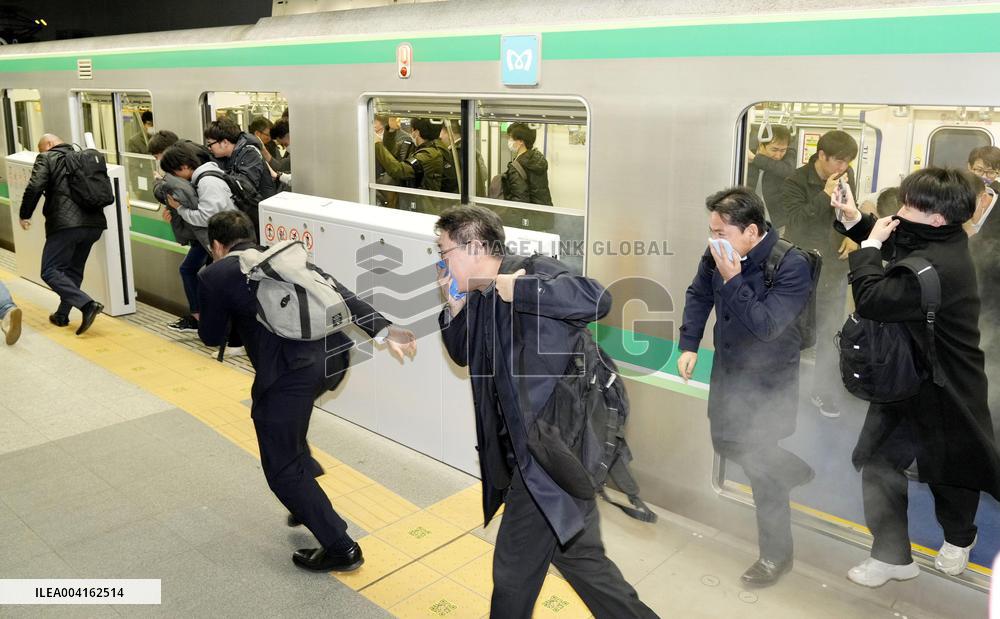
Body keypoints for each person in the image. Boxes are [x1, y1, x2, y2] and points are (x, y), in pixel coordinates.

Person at [435, 205, 655, 618]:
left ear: (475, 246)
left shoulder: (531, 271)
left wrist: (519, 291)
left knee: (513, 574)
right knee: (581, 560)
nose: (441, 262)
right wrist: (454, 307)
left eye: (444, 252)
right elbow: (461, 354)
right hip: (536, 453)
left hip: (550, 453)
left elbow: (598, 298)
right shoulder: (478, 293)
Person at [197, 210, 416, 571]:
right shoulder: (284, 257)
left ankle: (340, 547)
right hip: (334, 359)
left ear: (217, 245)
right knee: (282, 427)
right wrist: (384, 329)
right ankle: (304, 495)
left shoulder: (215, 274)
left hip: (291, 372)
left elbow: (211, 336)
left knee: (280, 466)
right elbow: (339, 292)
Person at [831, 167, 1000, 586]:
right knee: (879, 462)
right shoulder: (941, 236)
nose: (900, 212)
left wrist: (867, 247)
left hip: (949, 385)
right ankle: (891, 556)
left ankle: (960, 537)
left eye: (909, 206)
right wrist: (856, 220)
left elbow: (872, 299)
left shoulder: (937, 267)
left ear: (938, 218)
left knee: (951, 472)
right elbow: (897, 237)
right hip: (906, 377)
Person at [677, 187, 814, 587]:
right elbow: (698, 294)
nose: (713, 239)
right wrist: (689, 344)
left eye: (720, 232)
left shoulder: (791, 264)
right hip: (728, 367)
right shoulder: (718, 252)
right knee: (725, 441)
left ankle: (776, 557)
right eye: (711, 231)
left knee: (760, 468)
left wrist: (734, 280)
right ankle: (794, 469)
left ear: (751, 232)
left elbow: (768, 325)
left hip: (768, 380)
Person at [782, 129, 859, 419]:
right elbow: (794, 223)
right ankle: (779, 390)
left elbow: (850, 216)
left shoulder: (845, 179)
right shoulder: (795, 181)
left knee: (829, 331)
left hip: (833, 269)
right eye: (837, 161)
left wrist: (855, 235)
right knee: (790, 330)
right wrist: (823, 195)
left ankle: (822, 390)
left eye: (847, 162)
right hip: (799, 269)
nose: (842, 168)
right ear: (821, 155)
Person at [19, 133, 105, 335]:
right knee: (74, 271)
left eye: (41, 150)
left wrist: (25, 214)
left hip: (66, 225)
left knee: (50, 270)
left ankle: (87, 305)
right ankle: (61, 315)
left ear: (48, 144)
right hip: (94, 224)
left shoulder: (48, 157)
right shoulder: (84, 158)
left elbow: (35, 186)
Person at [158, 141, 238, 333]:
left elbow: (207, 216)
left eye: (173, 173)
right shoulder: (201, 178)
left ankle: (222, 329)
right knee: (199, 274)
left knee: (213, 281)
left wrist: (180, 209)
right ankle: (207, 322)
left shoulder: (207, 182)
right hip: (217, 240)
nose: (174, 179)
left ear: (184, 167)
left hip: (226, 240)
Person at [374, 117, 446, 214]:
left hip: (423, 209)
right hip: (411, 204)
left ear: (416, 132)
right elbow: (391, 155)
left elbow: (398, 170)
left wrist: (378, 144)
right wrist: (391, 130)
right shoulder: (416, 147)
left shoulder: (430, 154)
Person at [204, 118, 277, 199]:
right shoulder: (225, 156)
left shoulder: (250, 154)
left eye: (210, 144)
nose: (209, 148)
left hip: (259, 207)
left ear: (225, 142)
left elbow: (246, 187)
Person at [746, 124, 796, 230]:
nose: (778, 155)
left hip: (777, 220)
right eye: (774, 150)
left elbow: (787, 171)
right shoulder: (747, 155)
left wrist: (756, 159)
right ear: (761, 144)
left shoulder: (789, 154)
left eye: (782, 150)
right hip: (749, 218)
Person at [502, 122, 553, 206]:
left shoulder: (517, 166)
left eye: (511, 138)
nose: (509, 141)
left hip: (529, 216)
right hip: (545, 212)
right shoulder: (537, 158)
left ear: (521, 141)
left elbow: (519, 200)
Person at [373, 115, 415, 209]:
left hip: (390, 183)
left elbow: (397, 163)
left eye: (375, 121)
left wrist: (378, 145)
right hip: (376, 181)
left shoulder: (403, 138)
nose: (373, 125)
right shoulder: (372, 137)